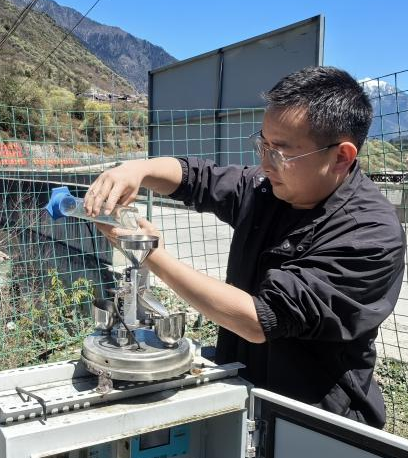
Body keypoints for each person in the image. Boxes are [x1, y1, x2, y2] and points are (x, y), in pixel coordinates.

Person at [84, 66, 404, 428]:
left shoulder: (369, 235)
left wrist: (149, 253)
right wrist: (136, 170)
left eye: (281, 152)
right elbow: (197, 178)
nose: (265, 163)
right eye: (263, 144)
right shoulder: (269, 188)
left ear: (341, 157)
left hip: (314, 422)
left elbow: (259, 320)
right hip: (242, 388)